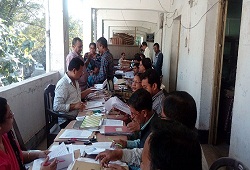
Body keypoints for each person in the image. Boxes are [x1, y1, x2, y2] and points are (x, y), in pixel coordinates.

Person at [95, 91, 208, 170]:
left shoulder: (180, 153)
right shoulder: (185, 143)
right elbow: (145, 154)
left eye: (163, 117)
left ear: (175, 125)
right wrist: (119, 153)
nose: (159, 119)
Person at [0, 97, 57, 170]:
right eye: (10, 115)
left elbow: (17, 155)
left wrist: (38, 154)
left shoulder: (5, 136)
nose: (13, 115)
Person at [53, 57, 89, 127]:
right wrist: (74, 106)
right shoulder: (63, 84)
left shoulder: (75, 80)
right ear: (74, 70)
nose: (82, 73)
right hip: (68, 120)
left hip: (78, 115)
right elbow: (56, 107)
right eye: (81, 71)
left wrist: (88, 91)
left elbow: (77, 97)